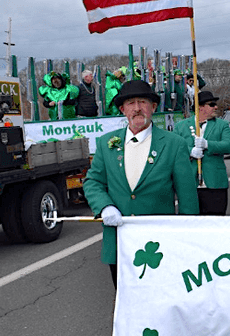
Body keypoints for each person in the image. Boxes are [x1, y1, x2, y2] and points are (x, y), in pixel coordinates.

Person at [83, 80, 199, 289]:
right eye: (130, 103)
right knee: (124, 301)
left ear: (153, 107)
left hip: (159, 242)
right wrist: (104, 206)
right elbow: (93, 182)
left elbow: (187, 197)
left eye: (142, 102)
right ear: (123, 109)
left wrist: (187, 240)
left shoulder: (173, 144)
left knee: (162, 299)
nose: (137, 108)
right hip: (120, 241)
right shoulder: (106, 143)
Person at [173, 90, 230, 215]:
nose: (216, 107)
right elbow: (173, 149)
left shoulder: (221, 125)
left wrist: (208, 144)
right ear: (200, 107)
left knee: (216, 223)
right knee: (191, 224)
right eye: (211, 104)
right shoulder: (181, 126)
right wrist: (190, 151)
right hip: (190, 185)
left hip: (215, 185)